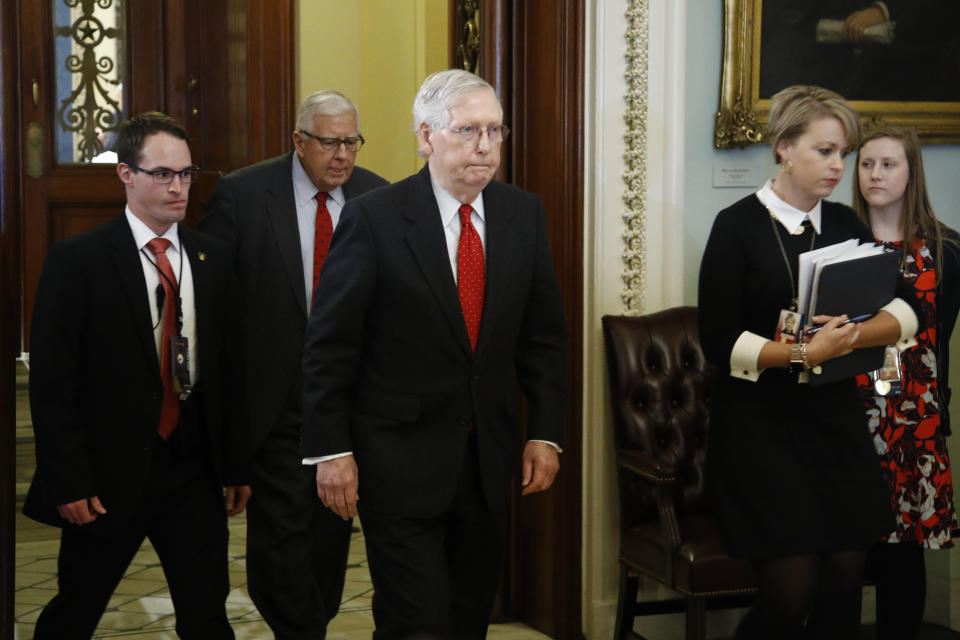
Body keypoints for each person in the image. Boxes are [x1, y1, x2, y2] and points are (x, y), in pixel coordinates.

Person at [300, 69, 568, 639]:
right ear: (426, 137)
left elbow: (543, 339)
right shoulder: (374, 217)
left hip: (488, 463)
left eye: (496, 131)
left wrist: (545, 433)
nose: (486, 146)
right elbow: (330, 344)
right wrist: (330, 449)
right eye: (469, 130)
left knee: (467, 620)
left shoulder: (523, 215)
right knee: (413, 624)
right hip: (398, 462)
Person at [698, 86, 921, 639]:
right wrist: (802, 351)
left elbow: (907, 310)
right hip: (759, 430)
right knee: (788, 594)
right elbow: (719, 342)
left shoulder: (846, 223)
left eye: (842, 153)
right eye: (825, 152)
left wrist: (853, 335)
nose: (838, 166)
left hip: (833, 422)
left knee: (846, 574)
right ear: (784, 149)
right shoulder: (736, 226)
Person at [23, 111, 249, 639]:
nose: (179, 187)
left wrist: (236, 464)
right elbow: (53, 384)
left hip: (192, 468)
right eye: (163, 174)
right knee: (75, 611)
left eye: (187, 174)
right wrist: (68, 479)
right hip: (107, 477)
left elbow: (230, 371)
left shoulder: (212, 257)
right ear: (126, 174)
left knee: (207, 614)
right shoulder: (78, 260)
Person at [199, 90, 387, 639]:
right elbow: (215, 305)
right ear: (298, 141)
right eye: (330, 142)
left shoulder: (377, 197)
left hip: (350, 406)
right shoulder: (243, 194)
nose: (343, 156)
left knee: (329, 542)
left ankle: (310, 626)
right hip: (274, 404)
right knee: (281, 546)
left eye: (352, 141)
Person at [852, 126, 960, 640]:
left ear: (911, 171)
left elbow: (941, 335)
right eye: (867, 163)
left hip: (916, 417)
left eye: (888, 164)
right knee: (845, 552)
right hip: (848, 413)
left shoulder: (946, 249)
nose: (875, 174)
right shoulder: (838, 241)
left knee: (905, 551)